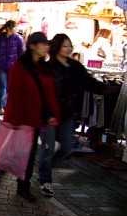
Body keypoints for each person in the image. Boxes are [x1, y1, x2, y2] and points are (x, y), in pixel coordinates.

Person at [38, 34, 115, 196]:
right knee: (48, 149)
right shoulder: (48, 68)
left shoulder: (75, 67)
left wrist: (109, 89)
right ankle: (45, 180)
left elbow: (89, 82)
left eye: (69, 46)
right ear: (57, 47)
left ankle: (45, 166)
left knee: (66, 148)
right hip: (49, 115)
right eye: (65, 45)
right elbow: (41, 93)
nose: (68, 49)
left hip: (67, 114)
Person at [0, 32, 60, 202]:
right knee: (18, 151)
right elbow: (15, 94)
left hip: (36, 118)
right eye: (43, 44)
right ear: (32, 46)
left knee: (28, 155)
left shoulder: (44, 69)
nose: (47, 47)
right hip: (22, 118)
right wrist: (14, 120)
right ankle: (4, 169)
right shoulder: (20, 67)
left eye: (47, 44)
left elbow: (48, 93)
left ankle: (23, 186)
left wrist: (52, 114)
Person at [0, 20, 25, 115]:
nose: (16, 29)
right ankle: (1, 106)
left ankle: (9, 106)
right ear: (9, 28)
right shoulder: (1, 38)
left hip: (13, 67)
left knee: (11, 87)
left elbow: (22, 53)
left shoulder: (18, 38)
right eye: (14, 27)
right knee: (3, 86)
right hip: (1, 65)